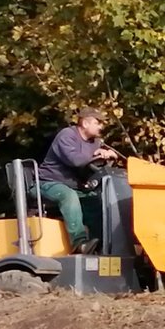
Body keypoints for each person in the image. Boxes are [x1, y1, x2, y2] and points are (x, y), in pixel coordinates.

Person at [37, 107, 118, 254]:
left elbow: (93, 167)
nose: (101, 126)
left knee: (96, 200)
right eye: (97, 122)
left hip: (75, 186)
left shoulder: (95, 142)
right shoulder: (67, 135)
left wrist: (108, 157)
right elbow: (75, 160)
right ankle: (79, 243)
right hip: (48, 183)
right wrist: (97, 155)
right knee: (68, 196)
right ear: (85, 123)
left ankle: (101, 245)